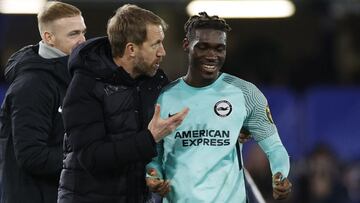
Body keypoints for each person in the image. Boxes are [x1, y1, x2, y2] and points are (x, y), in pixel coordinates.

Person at [146, 12, 292, 203]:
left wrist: (279, 175)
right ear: (186, 45)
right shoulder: (164, 97)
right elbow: (153, 156)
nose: (211, 55)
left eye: (219, 49)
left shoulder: (246, 94)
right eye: (203, 47)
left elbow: (275, 148)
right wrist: (153, 177)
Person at [57, 4, 188, 203]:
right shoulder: (85, 86)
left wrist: (155, 176)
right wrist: (149, 138)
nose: (163, 52)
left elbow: (170, 137)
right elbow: (92, 158)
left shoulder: (156, 81)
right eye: (156, 44)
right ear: (131, 49)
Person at [0, 1, 86, 203]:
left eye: (83, 32)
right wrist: (87, 159)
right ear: (49, 38)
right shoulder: (32, 86)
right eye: (73, 34)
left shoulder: (72, 77)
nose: (82, 40)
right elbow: (32, 156)